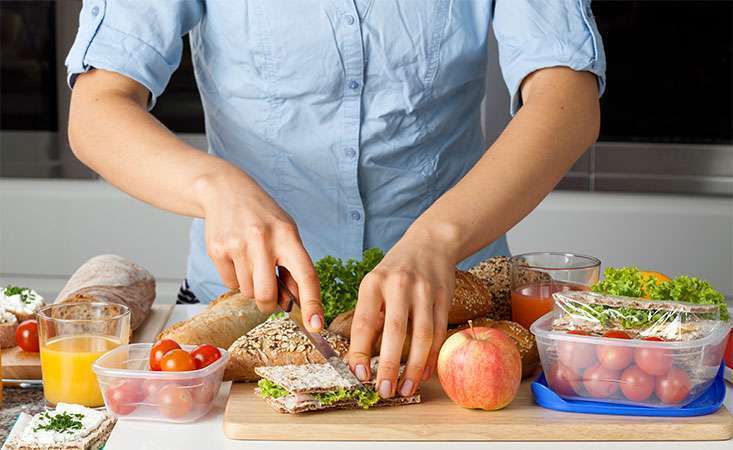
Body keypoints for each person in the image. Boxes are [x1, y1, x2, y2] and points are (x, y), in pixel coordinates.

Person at [66, 0, 605, 400]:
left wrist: (437, 238)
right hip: (245, 323)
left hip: (448, 324)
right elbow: (97, 108)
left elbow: (567, 98)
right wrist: (215, 186)